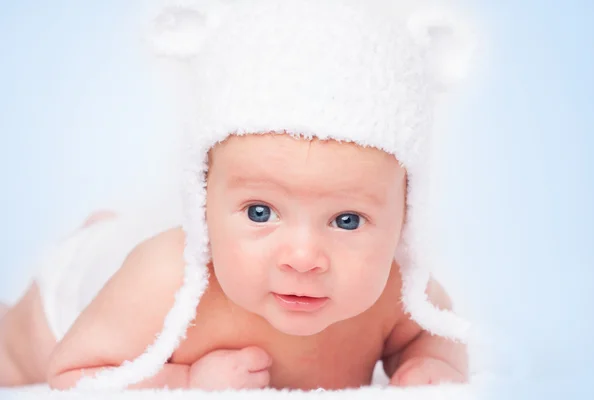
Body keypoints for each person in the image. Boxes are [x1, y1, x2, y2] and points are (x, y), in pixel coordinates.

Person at [0, 0, 476, 391]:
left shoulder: (401, 292)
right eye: (261, 211)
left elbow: (434, 339)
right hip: (85, 292)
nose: (304, 258)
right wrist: (186, 380)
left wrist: (429, 366)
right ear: (201, 199)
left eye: (347, 220)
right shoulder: (163, 281)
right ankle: (101, 237)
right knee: (12, 359)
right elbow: (70, 374)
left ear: (404, 218)